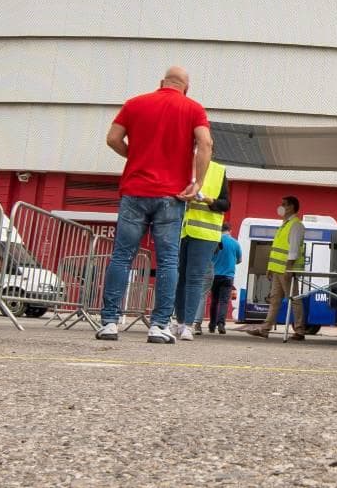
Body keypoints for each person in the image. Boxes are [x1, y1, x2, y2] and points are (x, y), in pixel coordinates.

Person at [96, 67, 213, 344]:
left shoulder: (134, 104)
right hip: (172, 195)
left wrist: (134, 155)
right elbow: (206, 143)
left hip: (134, 191)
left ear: (161, 82)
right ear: (186, 88)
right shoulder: (193, 109)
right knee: (168, 260)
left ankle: (109, 322)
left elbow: (112, 138)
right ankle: (159, 325)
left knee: (122, 256)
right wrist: (197, 183)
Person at [172, 160, 231, 341]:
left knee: (195, 278)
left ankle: (189, 325)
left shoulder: (218, 170)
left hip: (206, 234)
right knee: (181, 278)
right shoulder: (185, 164)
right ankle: (180, 322)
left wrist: (207, 199)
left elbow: (225, 204)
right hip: (184, 231)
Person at [247, 197, 306, 341]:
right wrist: (270, 268)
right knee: (275, 300)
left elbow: (293, 249)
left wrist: (288, 269)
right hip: (278, 270)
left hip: (286, 270)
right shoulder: (284, 225)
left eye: (284, 204)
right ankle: (265, 329)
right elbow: (276, 250)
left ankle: (299, 331)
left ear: (291, 207)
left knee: (294, 300)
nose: (281, 206)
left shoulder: (295, 225)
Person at [208, 225, 241, 334]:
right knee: (224, 301)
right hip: (228, 276)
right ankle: (221, 324)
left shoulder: (215, 241)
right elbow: (239, 260)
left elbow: (209, 257)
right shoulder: (235, 243)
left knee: (214, 301)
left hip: (215, 275)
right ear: (230, 230)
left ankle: (212, 325)